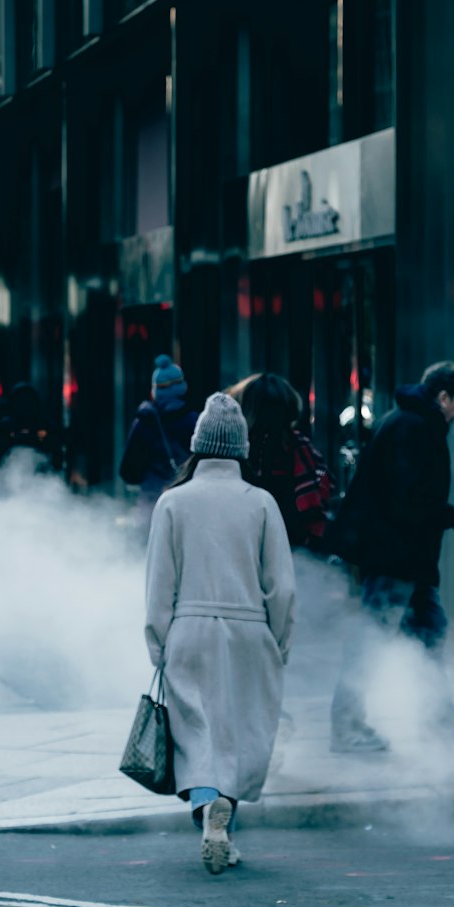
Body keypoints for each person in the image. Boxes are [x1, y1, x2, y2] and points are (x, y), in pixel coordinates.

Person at [144, 392, 296, 874]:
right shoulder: (262, 503)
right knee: (239, 734)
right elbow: (282, 586)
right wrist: (279, 642)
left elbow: (158, 585)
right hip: (250, 632)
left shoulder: (172, 502)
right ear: (241, 448)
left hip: (189, 630)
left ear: (197, 445)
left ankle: (209, 809)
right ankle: (224, 821)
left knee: (198, 736)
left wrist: (157, 643)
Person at [329, 360, 454, 753]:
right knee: (374, 640)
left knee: (430, 633)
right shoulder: (415, 428)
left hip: (403, 558)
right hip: (396, 557)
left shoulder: (409, 422)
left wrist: (447, 514)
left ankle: (439, 717)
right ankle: (348, 728)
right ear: (442, 396)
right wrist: (452, 516)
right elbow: (410, 501)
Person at [234, 372, 334, 549]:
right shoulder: (301, 447)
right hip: (292, 548)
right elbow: (321, 491)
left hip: (246, 545)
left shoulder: (237, 449)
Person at [119, 355, 198, 527]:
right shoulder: (195, 422)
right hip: (187, 504)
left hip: (152, 503)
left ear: (155, 390)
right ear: (182, 387)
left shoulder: (143, 423)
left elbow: (128, 471)